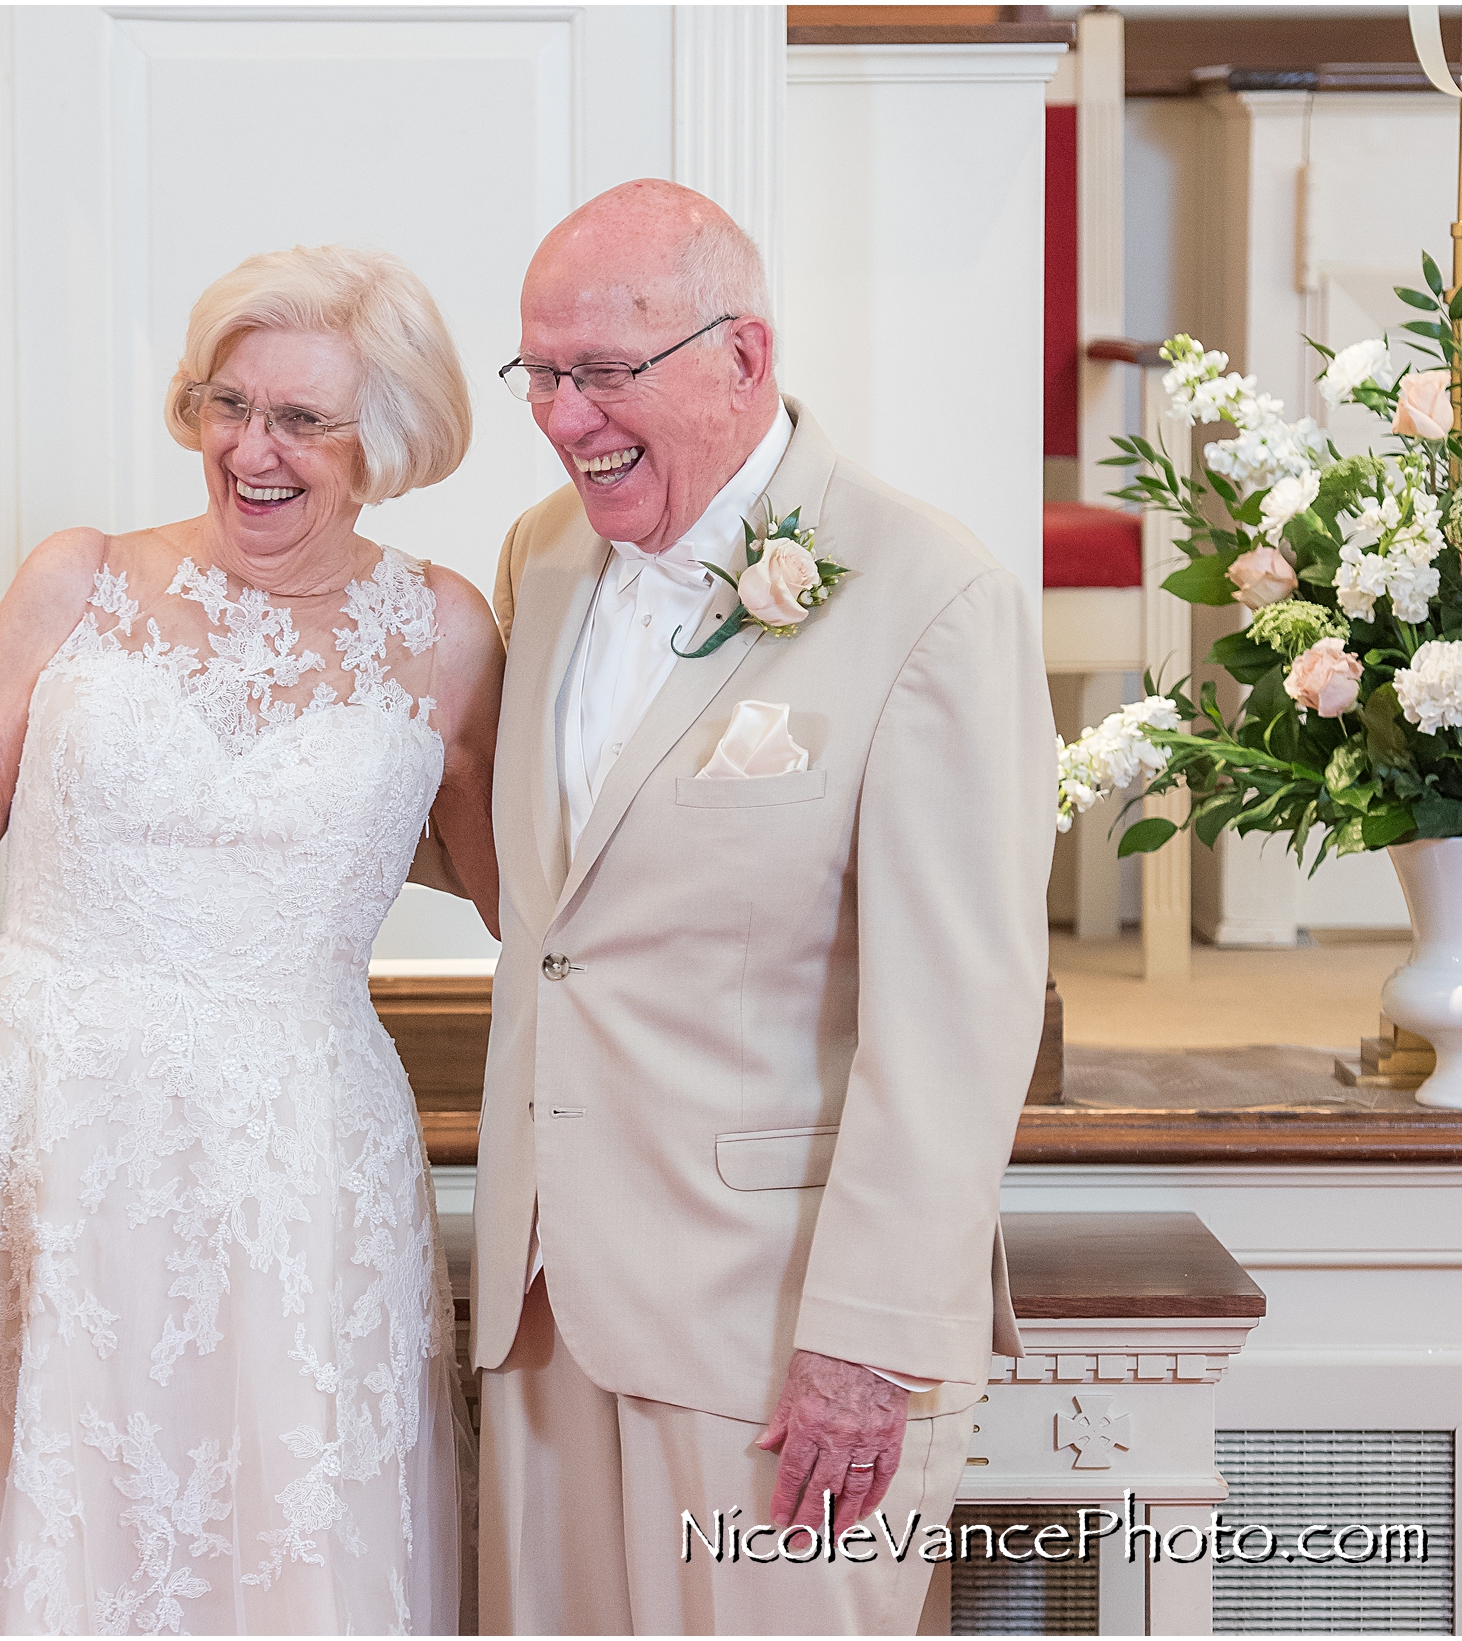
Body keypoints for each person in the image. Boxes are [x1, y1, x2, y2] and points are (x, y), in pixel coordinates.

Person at [0, 243, 503, 1636]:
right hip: (29, 1145)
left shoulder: (449, 634)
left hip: (297, 1168)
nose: (251, 447)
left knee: (281, 1542)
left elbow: (519, 899)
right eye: (227, 403)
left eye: (302, 418)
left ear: (392, 443)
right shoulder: (76, 579)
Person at [474, 179, 1055, 1635]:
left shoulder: (933, 598)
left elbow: (955, 1022)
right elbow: (563, 895)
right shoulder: (542, 557)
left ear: (745, 357)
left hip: (777, 1337)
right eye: (539, 372)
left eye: (605, 372)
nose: (561, 416)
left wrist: (869, 1346)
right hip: (547, 1313)